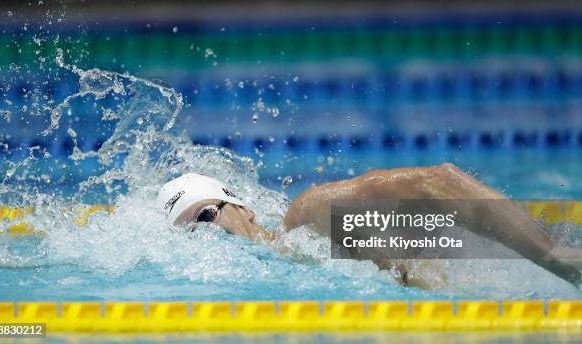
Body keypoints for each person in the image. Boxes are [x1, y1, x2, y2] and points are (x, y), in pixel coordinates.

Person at [156, 164, 582, 289]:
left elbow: (437, 181)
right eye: (191, 232)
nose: (208, 235)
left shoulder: (310, 219)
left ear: (243, 209)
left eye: (207, 215)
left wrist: (550, 256)